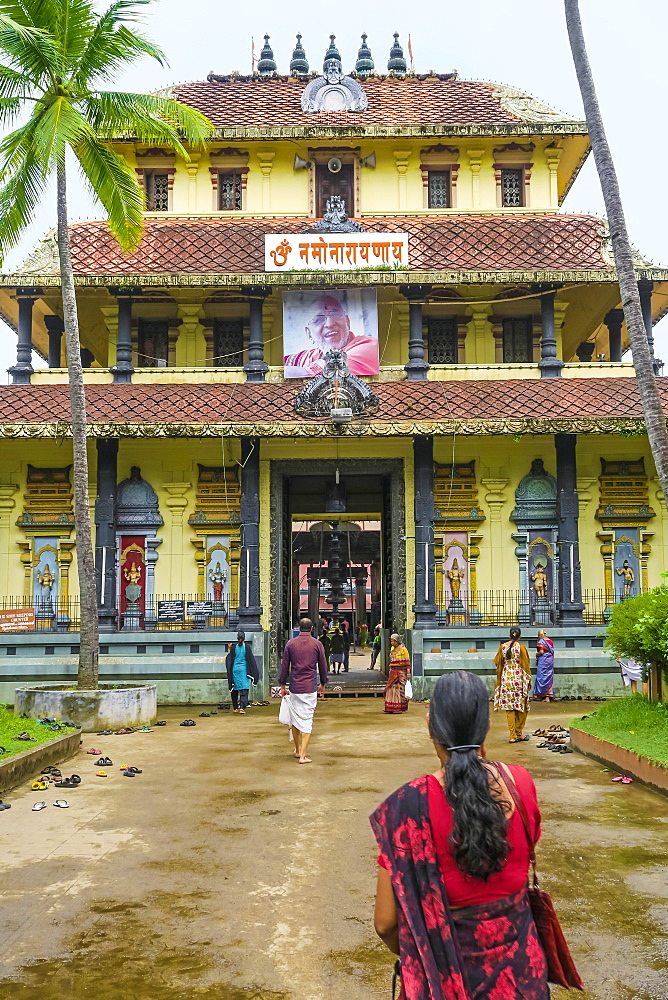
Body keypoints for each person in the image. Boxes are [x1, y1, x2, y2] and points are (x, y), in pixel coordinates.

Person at [370, 671, 549, 1000]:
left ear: (429, 725)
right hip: (522, 979)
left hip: (444, 980)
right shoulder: (520, 783)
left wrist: (422, 948)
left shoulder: (408, 806)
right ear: (488, 724)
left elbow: (386, 924)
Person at [283, 294, 378, 377]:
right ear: (309, 334)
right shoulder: (306, 357)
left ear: (347, 322)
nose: (330, 324)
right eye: (319, 319)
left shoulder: (369, 347)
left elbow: (329, 371)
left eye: (335, 314)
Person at [278, 617, 327, 764]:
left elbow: (285, 666)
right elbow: (323, 666)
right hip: (310, 686)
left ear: (299, 628)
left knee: (295, 718)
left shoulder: (291, 644)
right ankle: (303, 756)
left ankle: (298, 749)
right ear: (312, 629)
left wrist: (282, 685)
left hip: (295, 686)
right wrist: (323, 683)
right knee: (307, 720)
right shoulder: (317, 644)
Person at [494, 627, 532, 743]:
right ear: (519, 636)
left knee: (509, 708)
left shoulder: (502, 647)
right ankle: (519, 733)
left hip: (506, 679)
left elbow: (497, 662)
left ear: (510, 635)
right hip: (518, 679)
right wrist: (528, 680)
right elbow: (526, 665)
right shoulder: (521, 647)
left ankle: (512, 735)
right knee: (522, 707)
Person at [225, 630, 260, 713]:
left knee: (235, 688)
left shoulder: (234, 647)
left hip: (235, 670)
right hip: (244, 670)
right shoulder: (247, 647)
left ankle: (235, 708)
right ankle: (242, 707)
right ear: (244, 638)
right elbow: (251, 659)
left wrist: (229, 649)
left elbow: (230, 658)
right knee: (244, 689)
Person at [384, 634, 411, 714]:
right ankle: (391, 707)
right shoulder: (392, 649)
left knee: (400, 690)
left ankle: (400, 707)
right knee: (391, 689)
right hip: (393, 672)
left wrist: (408, 673)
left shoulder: (403, 649)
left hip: (401, 672)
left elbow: (407, 662)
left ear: (397, 641)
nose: (391, 642)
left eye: (392, 641)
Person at [534, 629, 555, 702]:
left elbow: (541, 652)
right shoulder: (551, 641)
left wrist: (537, 654)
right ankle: (548, 695)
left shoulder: (541, 642)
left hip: (543, 661)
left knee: (541, 676)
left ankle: (542, 694)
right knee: (549, 677)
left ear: (540, 635)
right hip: (550, 660)